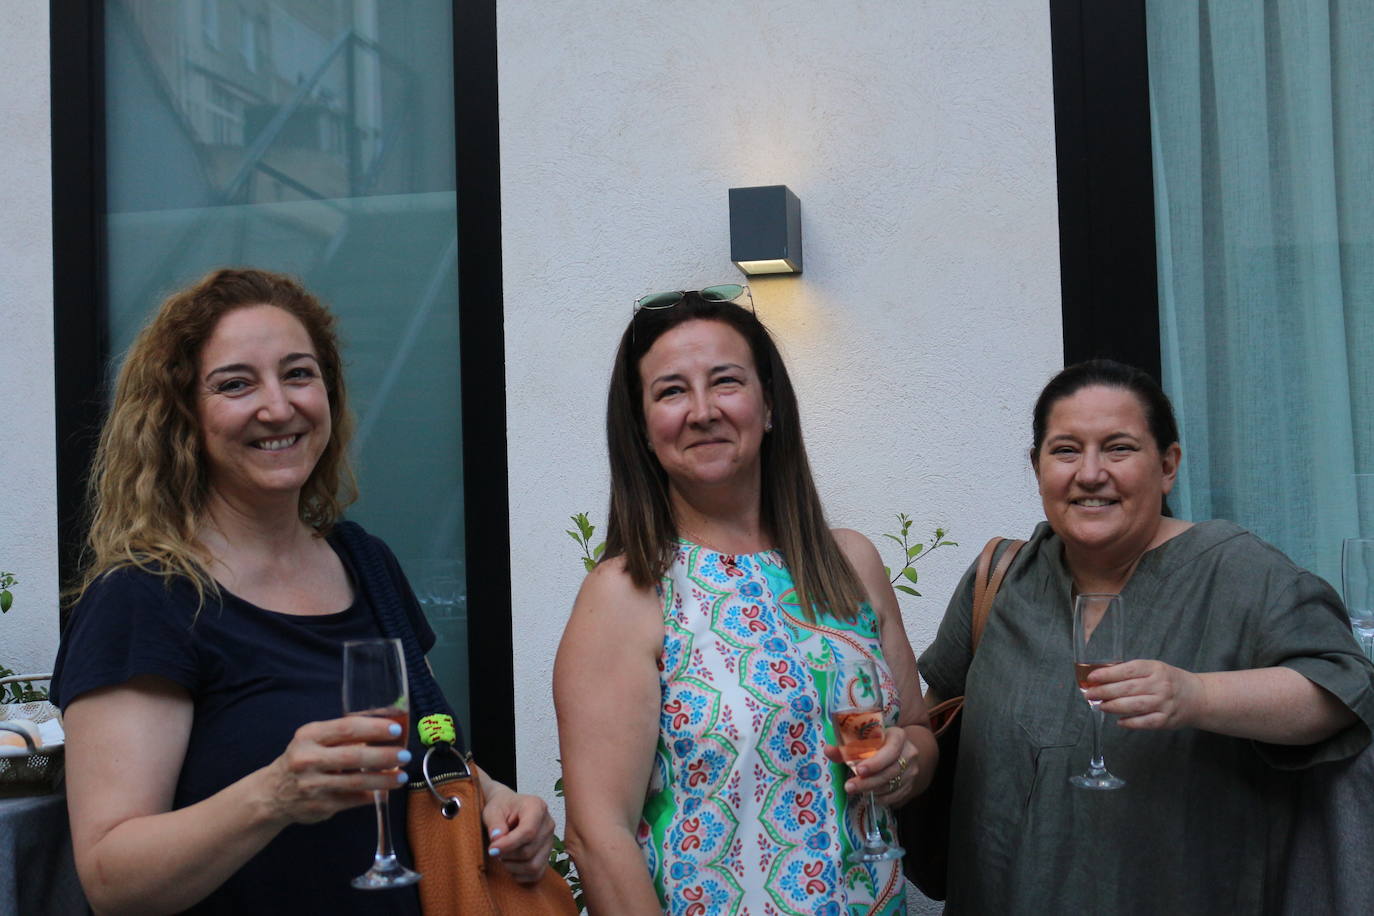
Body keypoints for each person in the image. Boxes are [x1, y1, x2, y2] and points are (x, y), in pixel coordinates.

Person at [51, 268, 554, 915]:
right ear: (183, 414)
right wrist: (275, 794)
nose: (278, 406)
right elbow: (111, 879)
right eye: (236, 383)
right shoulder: (146, 598)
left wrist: (495, 796)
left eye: (298, 373)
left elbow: (427, 727)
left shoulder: (364, 561)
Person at [918, 358, 1374, 914]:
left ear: (1168, 465)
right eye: (1065, 450)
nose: (1089, 473)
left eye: (1119, 448)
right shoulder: (1002, 577)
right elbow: (932, 718)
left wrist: (1197, 696)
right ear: (1037, 467)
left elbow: (1343, 691)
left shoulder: (1236, 572)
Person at [553, 286, 938, 914]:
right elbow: (599, 838)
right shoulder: (627, 593)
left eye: (725, 382)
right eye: (671, 391)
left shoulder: (851, 564)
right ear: (645, 430)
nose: (703, 411)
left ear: (768, 407)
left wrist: (905, 765)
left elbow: (917, 733)